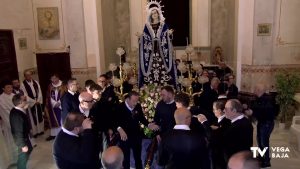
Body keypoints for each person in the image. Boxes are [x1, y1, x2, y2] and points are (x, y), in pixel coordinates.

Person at [138, 3, 177, 88]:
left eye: (155, 13)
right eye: (152, 14)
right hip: (151, 54)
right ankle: (152, 89)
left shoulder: (163, 25)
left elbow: (167, 36)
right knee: (151, 73)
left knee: (162, 72)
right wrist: (141, 37)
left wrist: (169, 34)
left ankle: (164, 87)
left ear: (158, 13)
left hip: (161, 54)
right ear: (150, 15)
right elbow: (145, 37)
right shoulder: (147, 26)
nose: (154, 15)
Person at [116, 91, 158, 169]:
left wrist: (149, 125)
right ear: (128, 99)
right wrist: (119, 129)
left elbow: (141, 118)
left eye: (137, 101)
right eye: (133, 101)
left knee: (138, 157)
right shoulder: (119, 107)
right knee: (126, 158)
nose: (135, 103)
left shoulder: (138, 106)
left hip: (136, 136)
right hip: (124, 136)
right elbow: (114, 121)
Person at [245, 84, 277, 168]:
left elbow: (264, 111)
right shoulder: (259, 98)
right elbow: (256, 107)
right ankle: (261, 157)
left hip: (267, 123)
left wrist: (252, 113)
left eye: (255, 88)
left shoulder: (267, 99)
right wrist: (248, 107)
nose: (254, 90)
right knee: (259, 141)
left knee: (264, 143)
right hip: (262, 122)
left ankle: (266, 161)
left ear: (259, 90)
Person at [10, 94, 33, 169]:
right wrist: (22, 145)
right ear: (20, 102)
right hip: (22, 140)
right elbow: (17, 131)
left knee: (29, 149)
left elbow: (24, 122)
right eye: (24, 100)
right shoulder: (16, 115)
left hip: (25, 137)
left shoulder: (17, 110)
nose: (26, 101)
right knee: (23, 156)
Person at [20, 70, 44, 137]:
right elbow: (25, 95)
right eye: (27, 75)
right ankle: (35, 132)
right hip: (31, 103)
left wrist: (38, 100)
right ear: (25, 76)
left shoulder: (35, 82)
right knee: (32, 118)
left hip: (37, 101)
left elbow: (39, 92)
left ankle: (40, 130)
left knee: (39, 116)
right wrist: (33, 102)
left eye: (30, 75)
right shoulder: (23, 85)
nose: (29, 76)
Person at [0, 80, 17, 167]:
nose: (10, 88)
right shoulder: (1, 99)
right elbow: (5, 112)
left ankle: (19, 158)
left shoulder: (15, 96)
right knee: (10, 141)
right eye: (8, 87)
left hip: (17, 122)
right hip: (8, 124)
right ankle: (12, 160)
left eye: (11, 86)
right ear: (3, 88)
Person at [44, 74, 64, 141]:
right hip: (53, 106)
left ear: (58, 78)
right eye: (52, 79)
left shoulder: (63, 85)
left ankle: (62, 134)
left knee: (61, 120)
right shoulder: (50, 86)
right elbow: (48, 97)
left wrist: (59, 102)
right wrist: (54, 103)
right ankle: (53, 134)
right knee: (52, 119)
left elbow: (65, 95)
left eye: (54, 78)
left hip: (61, 106)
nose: (53, 80)